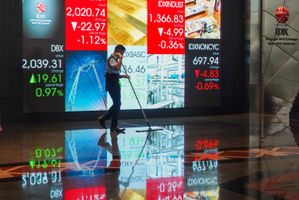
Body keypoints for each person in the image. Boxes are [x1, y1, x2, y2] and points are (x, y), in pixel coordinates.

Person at [98, 44, 130, 133]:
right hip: (112, 84)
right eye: (122, 53)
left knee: (117, 104)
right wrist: (121, 58)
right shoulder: (112, 58)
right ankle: (104, 119)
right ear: (118, 51)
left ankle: (113, 126)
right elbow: (117, 67)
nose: (122, 55)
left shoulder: (115, 59)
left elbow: (114, 73)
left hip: (114, 82)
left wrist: (123, 76)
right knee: (117, 104)